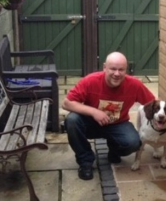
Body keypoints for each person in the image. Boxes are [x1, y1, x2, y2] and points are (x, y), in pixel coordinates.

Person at [62, 52, 156, 180]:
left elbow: (154, 105)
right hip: (91, 123)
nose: (117, 74)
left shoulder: (134, 85)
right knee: (72, 120)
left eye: (121, 69)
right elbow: (67, 103)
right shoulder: (90, 80)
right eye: (113, 69)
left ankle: (114, 149)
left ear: (126, 70)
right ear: (105, 67)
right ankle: (85, 161)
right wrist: (94, 112)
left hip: (118, 124)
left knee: (133, 143)